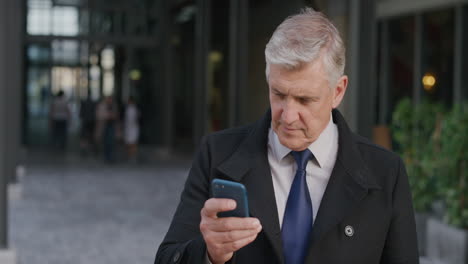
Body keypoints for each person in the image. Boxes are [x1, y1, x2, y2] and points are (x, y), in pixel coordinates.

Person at [155, 8, 418, 264]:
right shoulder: (217, 152)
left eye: (305, 99)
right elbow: (167, 258)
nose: (288, 115)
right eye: (279, 94)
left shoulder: (387, 173)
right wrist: (209, 254)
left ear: (338, 91)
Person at [123, 96, 140, 162]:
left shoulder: (133, 109)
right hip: (129, 128)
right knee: (129, 143)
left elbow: (135, 119)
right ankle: (130, 156)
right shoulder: (129, 108)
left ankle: (133, 157)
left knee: (133, 143)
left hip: (132, 128)